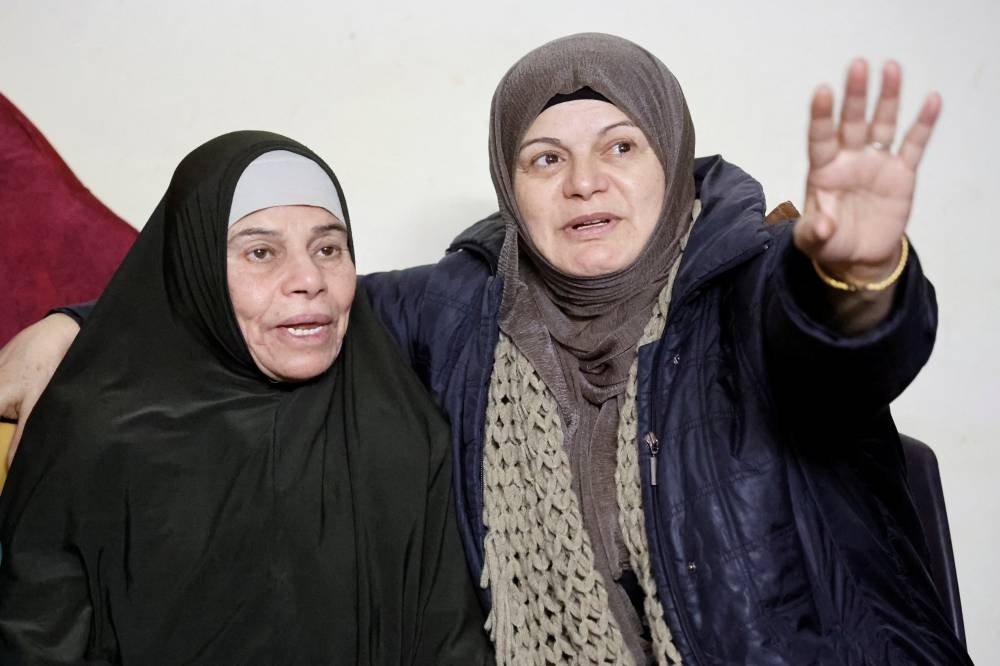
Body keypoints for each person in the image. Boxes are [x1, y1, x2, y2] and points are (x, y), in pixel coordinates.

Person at [0, 33, 972, 664]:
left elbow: (839, 354)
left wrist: (858, 274)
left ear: (673, 164)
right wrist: (75, 329)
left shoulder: (754, 283)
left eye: (621, 147)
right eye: (545, 158)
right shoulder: (454, 309)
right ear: (510, 184)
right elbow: (275, 303)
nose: (584, 182)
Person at [0, 131, 491, 664]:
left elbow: (452, 646)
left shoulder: (404, 428)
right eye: (261, 252)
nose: (309, 279)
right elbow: (37, 641)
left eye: (328, 248)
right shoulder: (92, 433)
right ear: (197, 273)